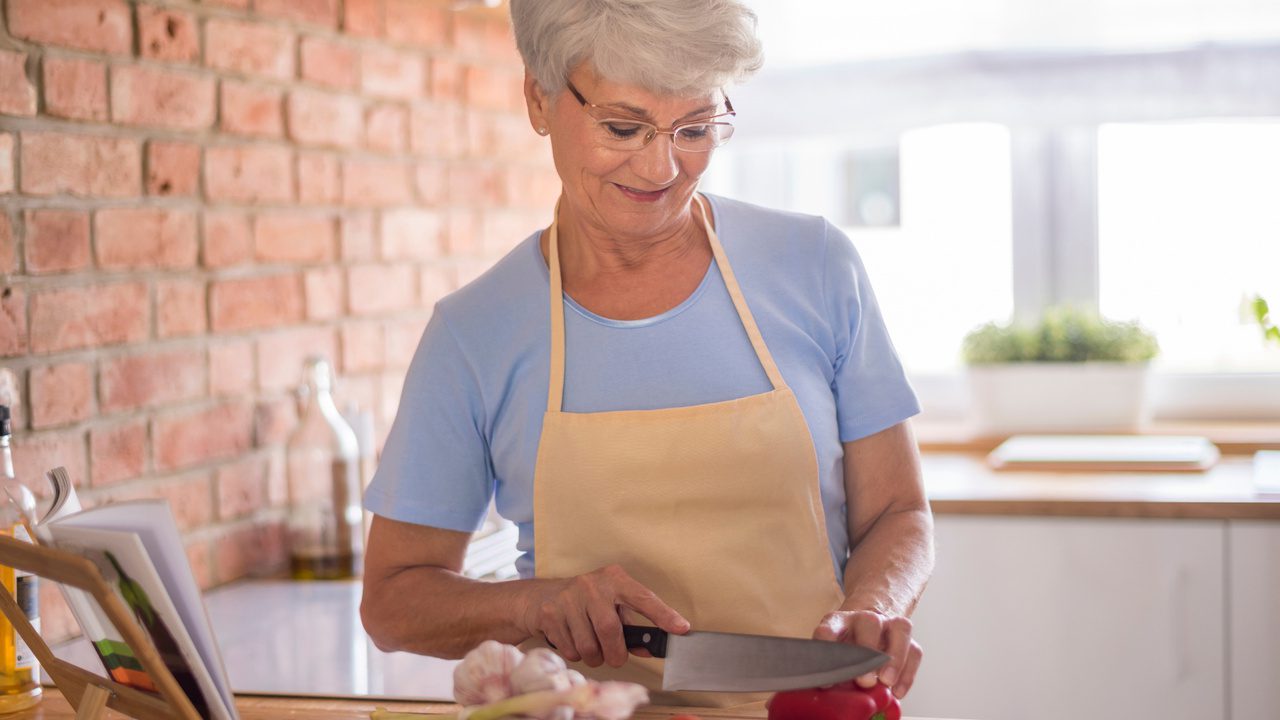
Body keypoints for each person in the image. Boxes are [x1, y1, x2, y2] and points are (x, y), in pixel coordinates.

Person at [361, 0, 934, 707]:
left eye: (696, 128)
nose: (662, 166)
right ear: (538, 100)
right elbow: (391, 601)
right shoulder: (475, 332)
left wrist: (874, 606)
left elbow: (897, 513)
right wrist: (532, 605)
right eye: (622, 126)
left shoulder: (815, 265)